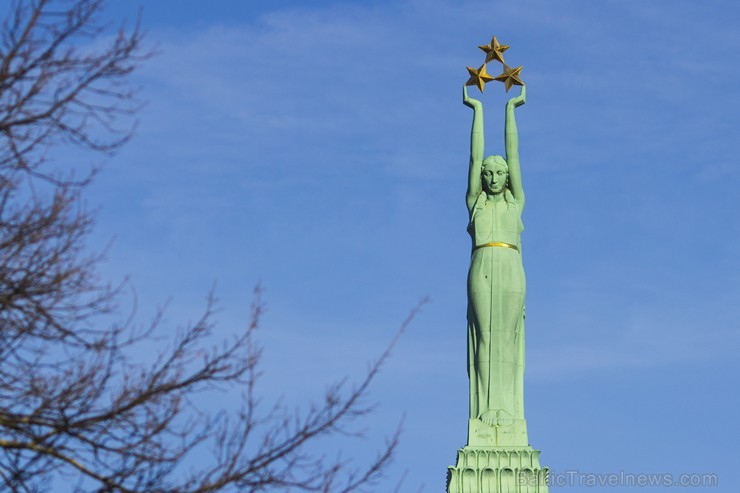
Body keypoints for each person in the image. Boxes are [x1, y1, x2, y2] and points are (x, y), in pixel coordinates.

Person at [462, 84, 527, 440]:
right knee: (486, 338)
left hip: (511, 266)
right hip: (482, 264)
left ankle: (508, 409)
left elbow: (514, 156)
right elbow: (474, 159)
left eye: (498, 173)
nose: (492, 177)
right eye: (488, 173)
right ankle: (487, 410)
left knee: (508, 339)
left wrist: (511, 109)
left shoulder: (515, 204)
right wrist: (477, 110)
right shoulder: (476, 203)